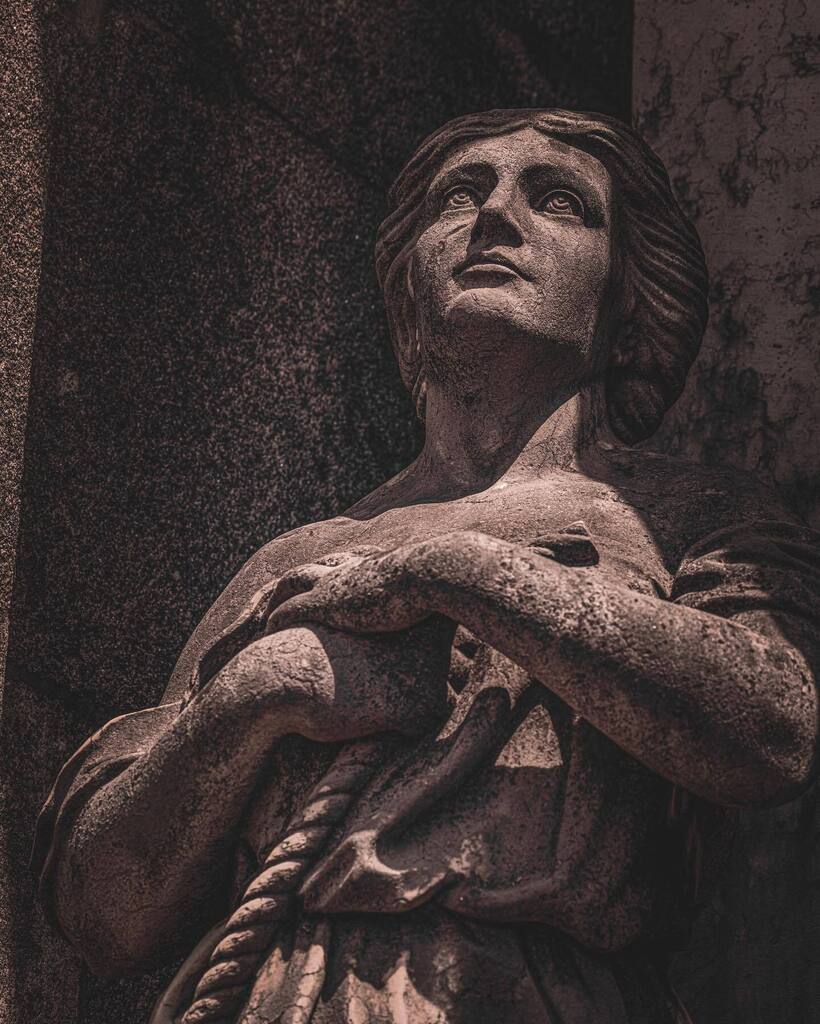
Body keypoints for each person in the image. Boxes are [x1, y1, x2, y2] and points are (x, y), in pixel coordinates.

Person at [34, 109, 819, 1024]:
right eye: (461, 194)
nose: (495, 216)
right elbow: (101, 912)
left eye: (558, 201)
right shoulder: (296, 557)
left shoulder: (688, 519)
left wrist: (454, 575)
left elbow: (775, 726)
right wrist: (261, 694)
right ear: (408, 285)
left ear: (628, 301)